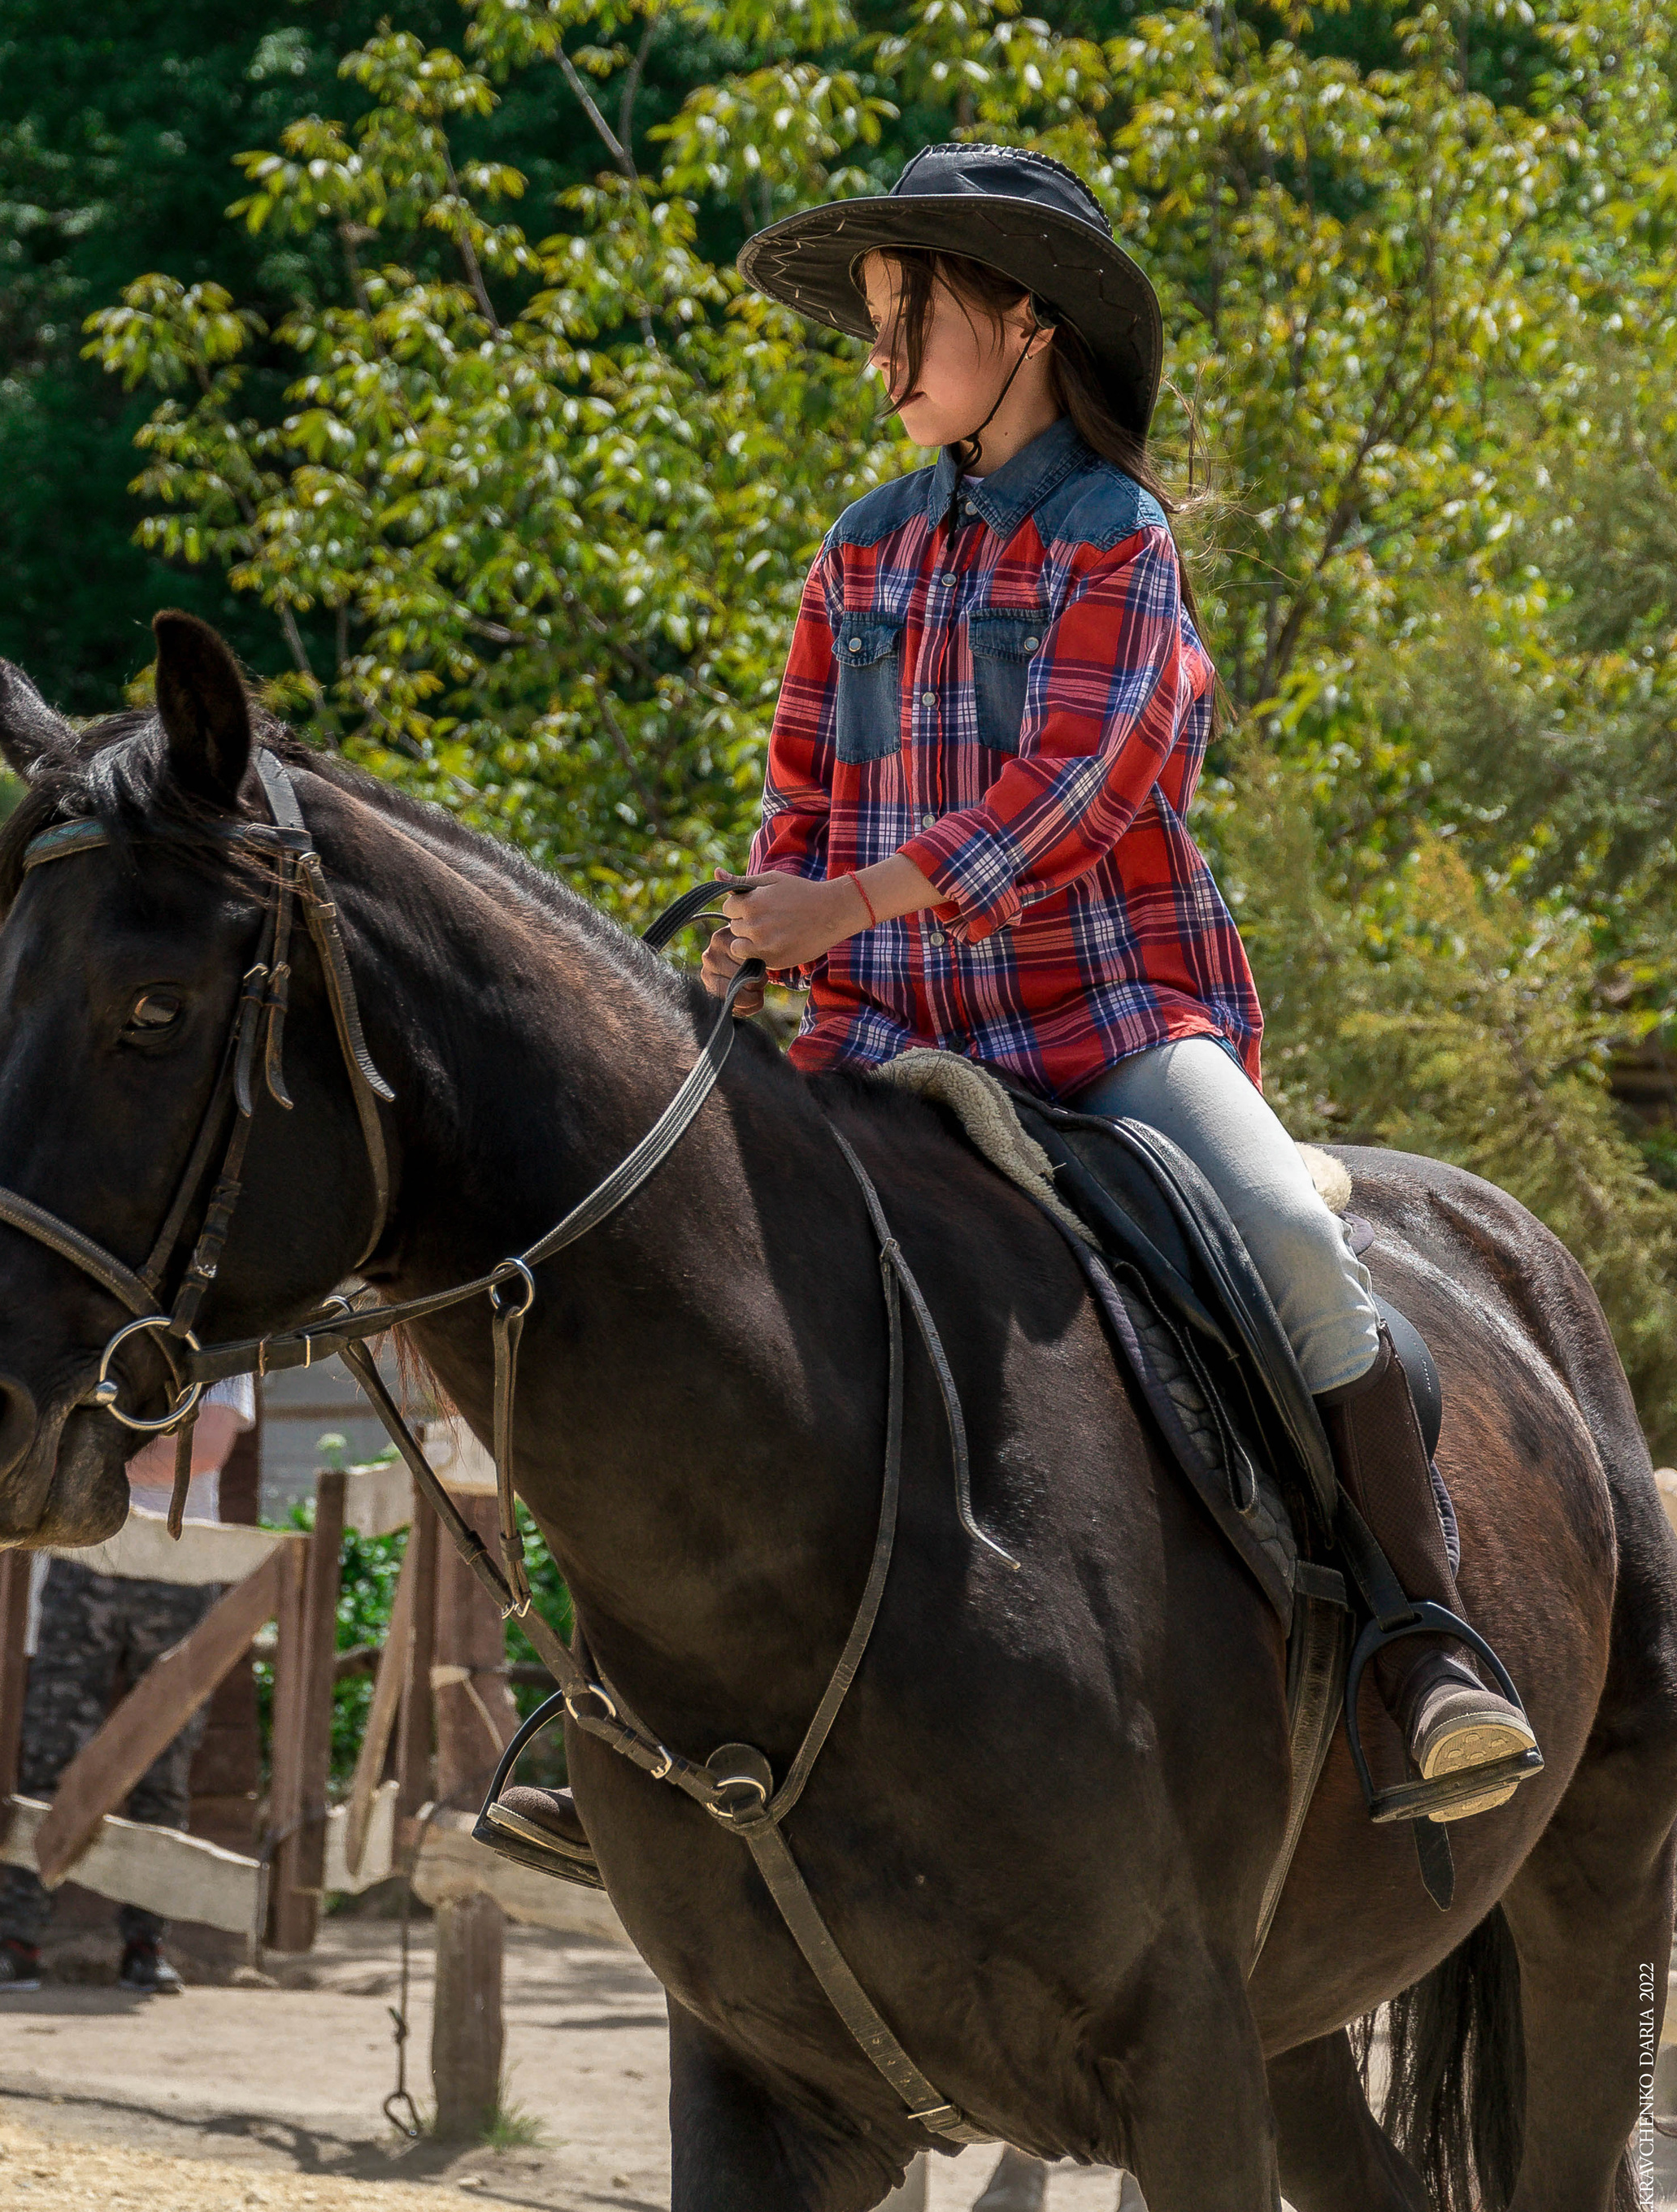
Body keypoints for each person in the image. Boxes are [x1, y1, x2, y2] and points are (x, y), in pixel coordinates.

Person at [488, 144, 1533, 1886]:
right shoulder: (854, 554)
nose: (881, 356)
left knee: (1285, 1232)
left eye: (912, 316)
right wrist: (760, 924)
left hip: (1107, 1027)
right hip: (881, 1041)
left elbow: (1082, 788)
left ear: (1024, 319)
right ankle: (614, 1707)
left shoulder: (1118, 541)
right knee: (673, 1267)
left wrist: (861, 901)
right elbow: (801, 792)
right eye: (873, 323)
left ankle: (1419, 1645)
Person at [0, 1375, 256, 1996]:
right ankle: (19, 1942)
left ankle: (146, 1947)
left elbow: (203, 1452)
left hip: (178, 1571)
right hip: (85, 1562)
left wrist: (84, 1463)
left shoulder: (225, 1343)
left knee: (161, 1766)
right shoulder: (94, 1325)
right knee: (50, 1755)